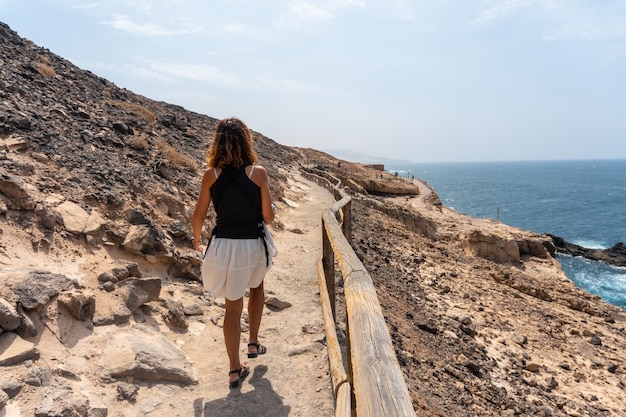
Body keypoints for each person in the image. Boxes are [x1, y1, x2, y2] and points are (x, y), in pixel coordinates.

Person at [191, 117, 275, 389]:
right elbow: (268, 217)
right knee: (258, 286)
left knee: (231, 307)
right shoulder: (258, 173)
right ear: (245, 141)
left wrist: (196, 240)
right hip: (253, 243)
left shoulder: (210, 175)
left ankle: (234, 369)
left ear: (218, 142)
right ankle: (253, 342)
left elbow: (199, 215)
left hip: (225, 245)